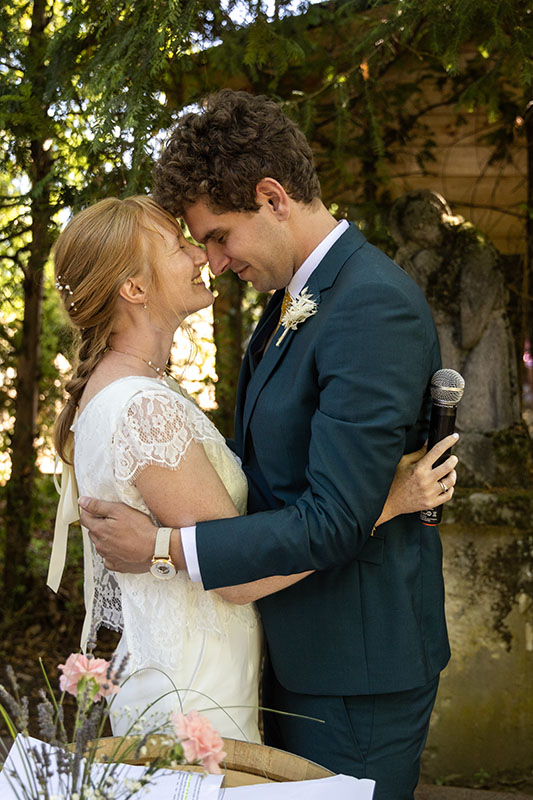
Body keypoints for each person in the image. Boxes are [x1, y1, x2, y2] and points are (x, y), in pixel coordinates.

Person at [77, 91, 458, 799]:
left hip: (353, 668)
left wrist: (162, 547)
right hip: (283, 652)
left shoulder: (370, 304)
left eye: (219, 235)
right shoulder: (290, 302)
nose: (214, 261)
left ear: (272, 196)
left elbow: (333, 518)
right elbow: (269, 466)